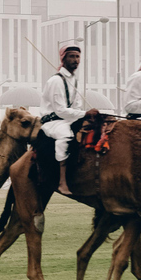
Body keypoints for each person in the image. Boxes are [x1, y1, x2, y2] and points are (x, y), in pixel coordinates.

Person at [39, 45, 87, 195]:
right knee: (66, 136)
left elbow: (77, 107)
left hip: (69, 119)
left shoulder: (75, 81)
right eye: (71, 56)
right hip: (54, 122)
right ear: (63, 58)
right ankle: (62, 182)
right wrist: (85, 114)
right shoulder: (55, 81)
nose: (75, 60)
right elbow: (60, 110)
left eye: (77, 57)